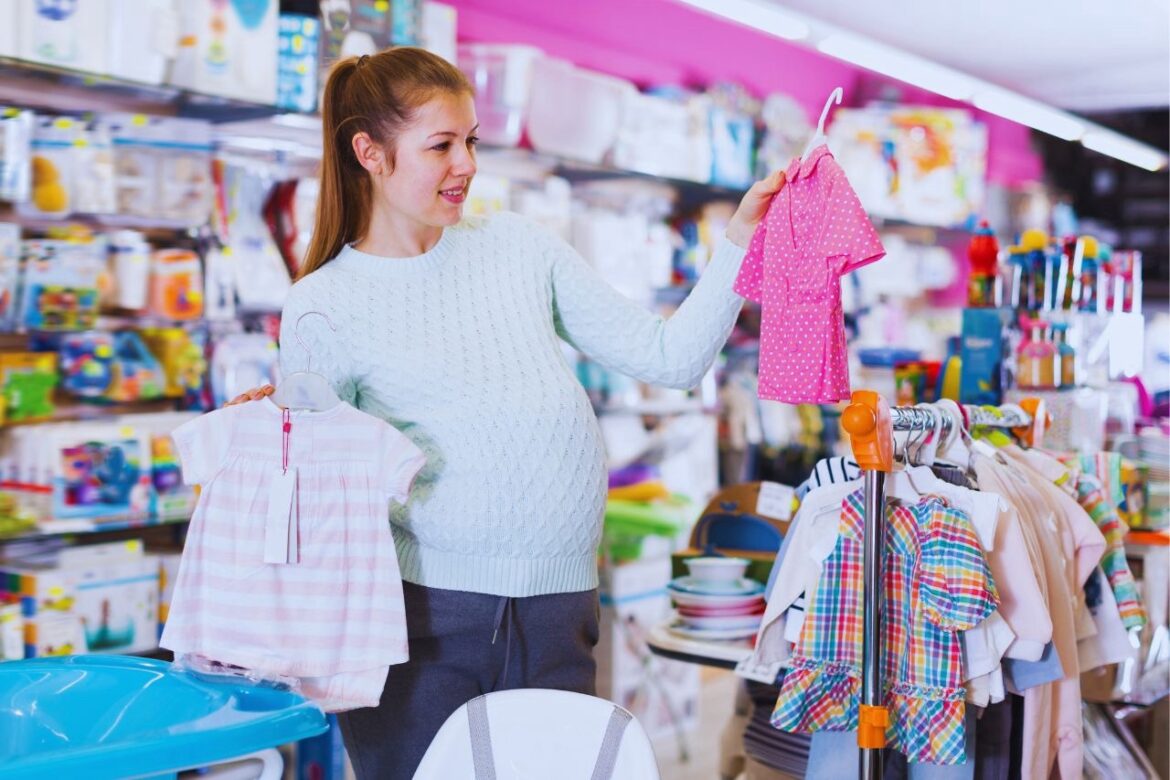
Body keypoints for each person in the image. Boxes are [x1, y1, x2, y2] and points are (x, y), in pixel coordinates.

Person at [229, 46, 786, 779]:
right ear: (370, 152)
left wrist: (742, 238)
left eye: (471, 141)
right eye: (440, 145)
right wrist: (281, 430)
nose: (465, 164)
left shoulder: (520, 248)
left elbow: (671, 357)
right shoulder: (324, 304)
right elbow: (322, 493)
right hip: (426, 618)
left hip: (561, 608)